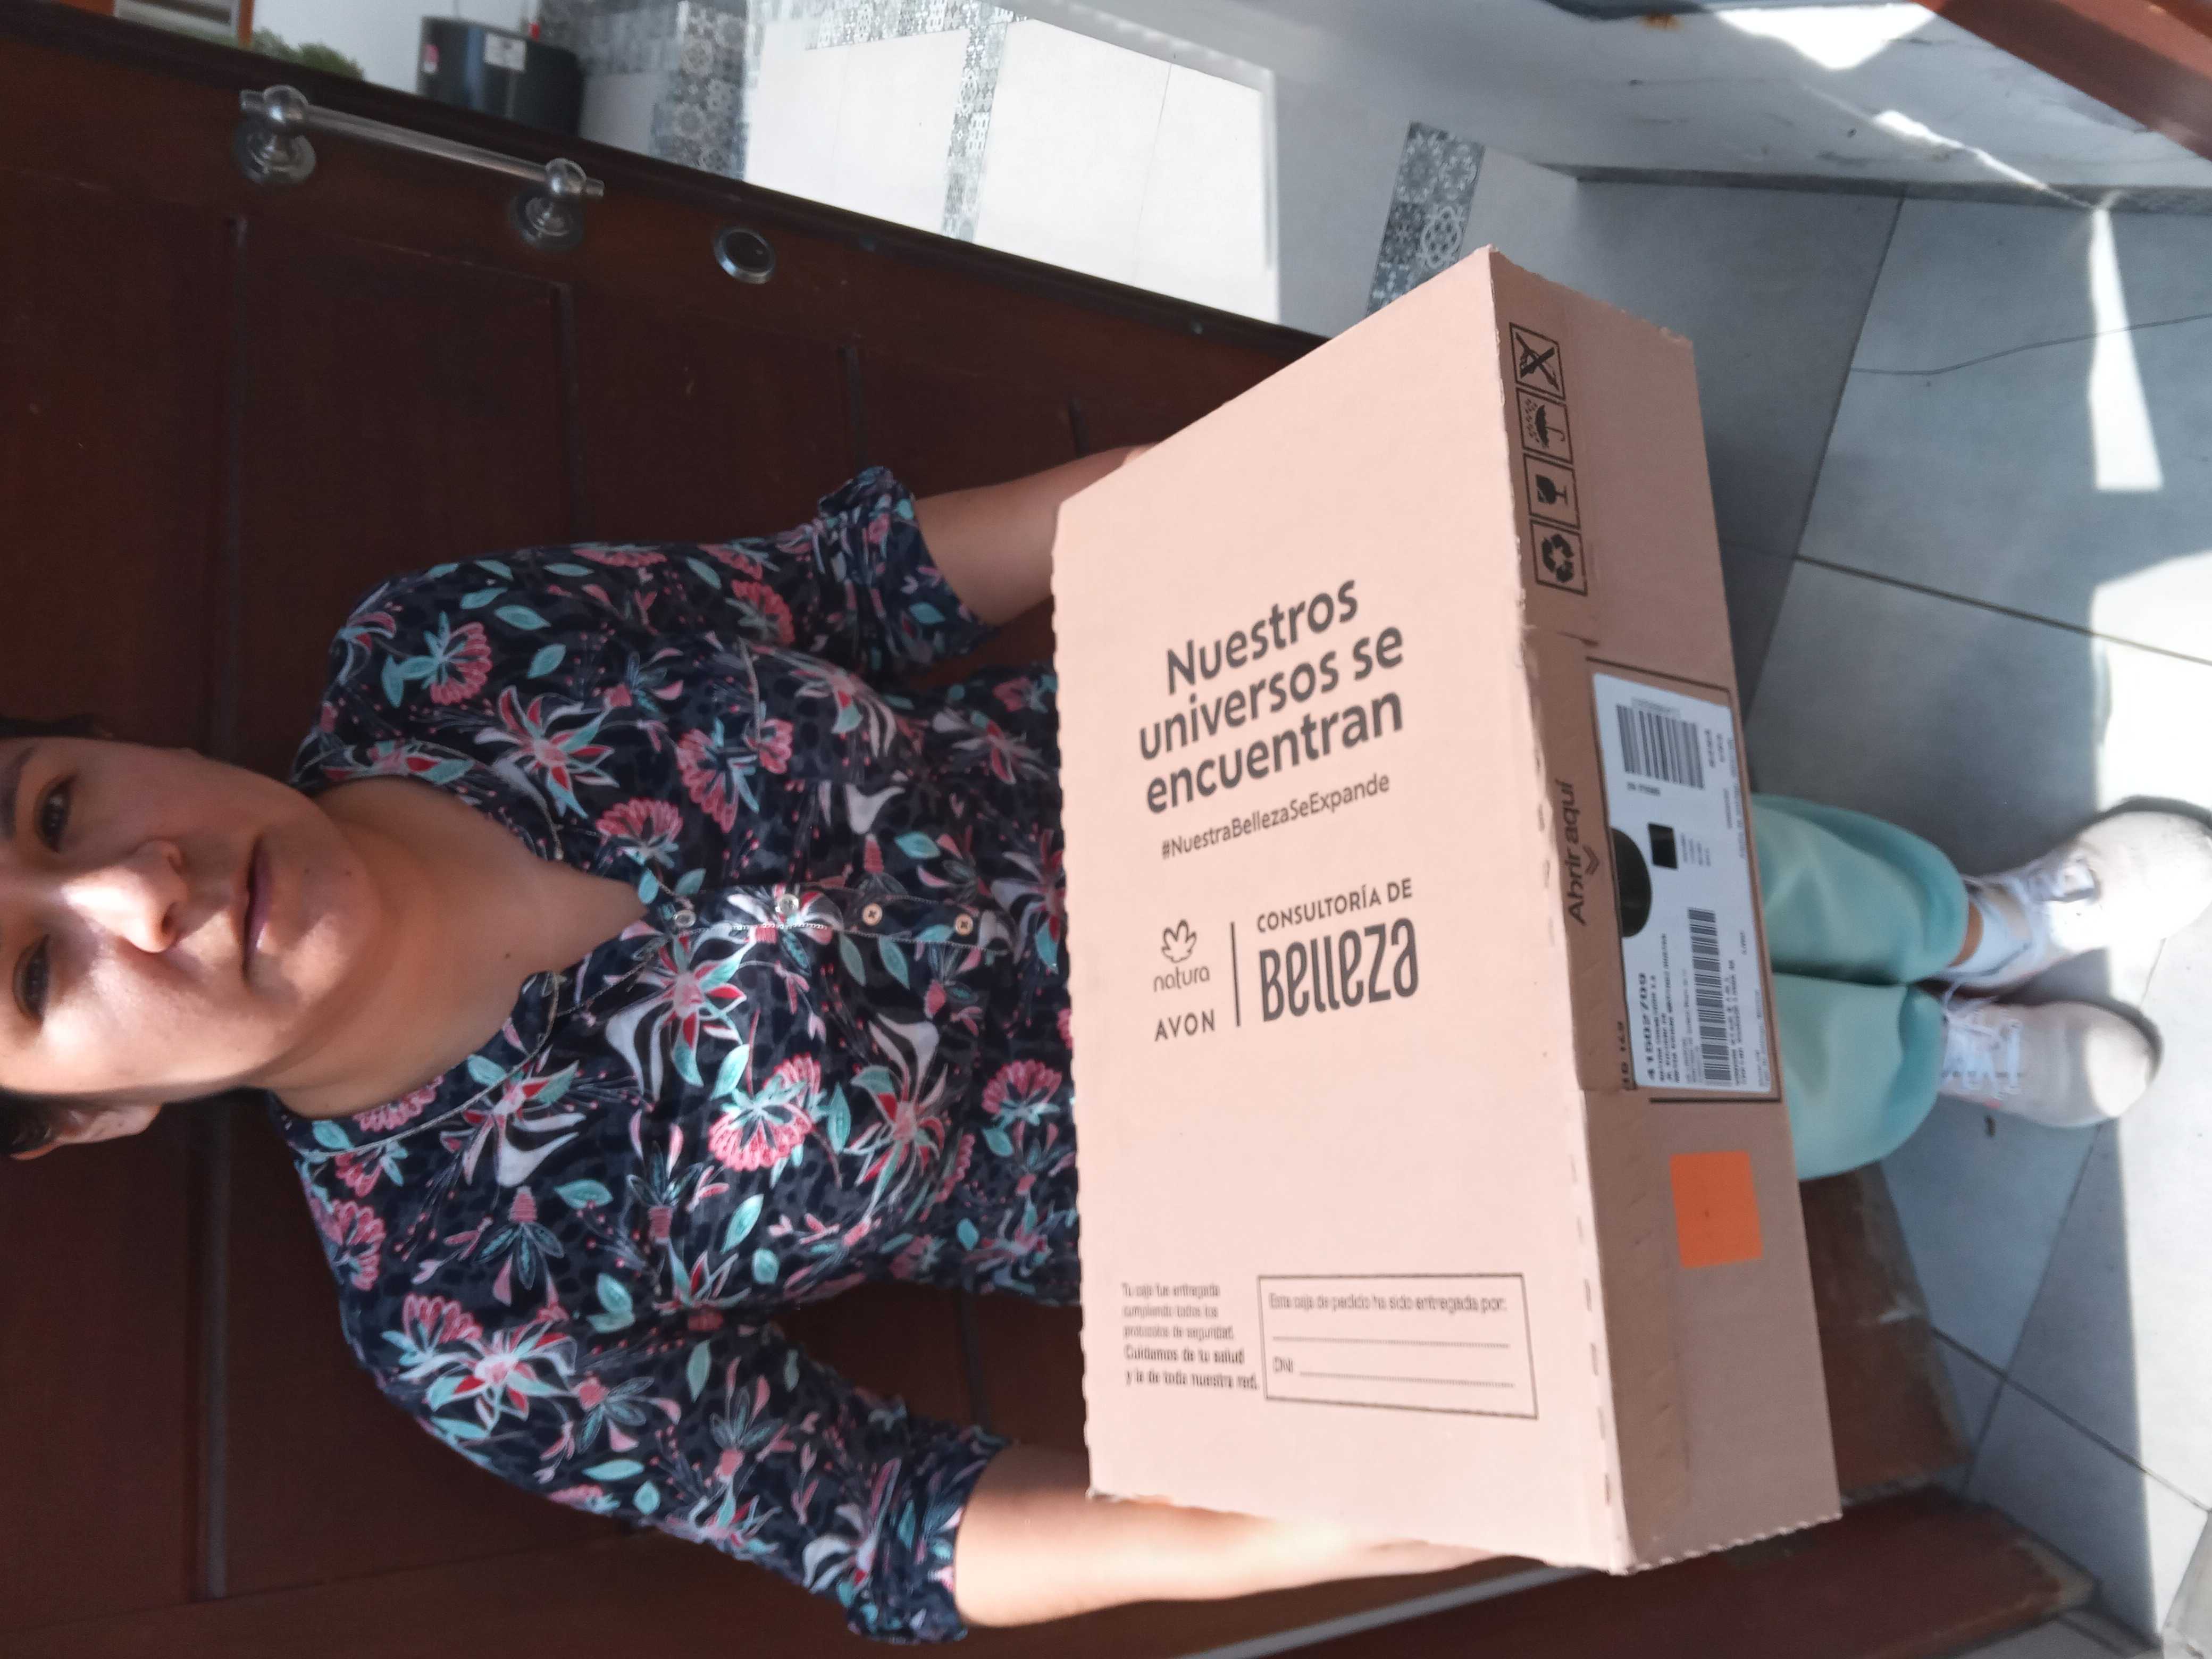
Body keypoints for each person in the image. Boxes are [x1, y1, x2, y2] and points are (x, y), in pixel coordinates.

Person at [3, 453, 2208, 1640]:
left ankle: (1982, 919)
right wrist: (1298, 1536)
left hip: (1278, 779)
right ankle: (1939, 1070)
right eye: (36, 978)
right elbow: (880, 1520)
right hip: (1281, 1140)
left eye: (53, 810)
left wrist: (1226, 488)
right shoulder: (457, 1307)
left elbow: (850, 589)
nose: (139, 892)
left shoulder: (444, 656)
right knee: (1727, 1096)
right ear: (91, 1113)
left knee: (1693, 863)